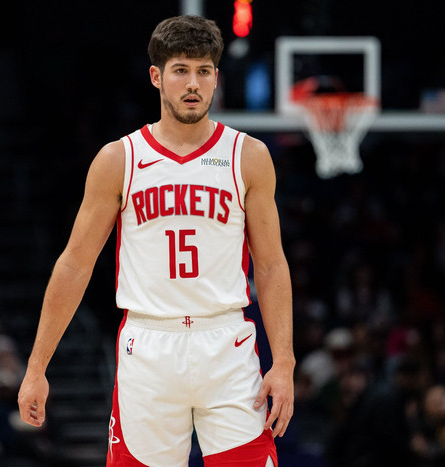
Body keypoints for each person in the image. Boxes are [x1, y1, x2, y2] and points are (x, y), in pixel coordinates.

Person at [17, 14, 295, 466]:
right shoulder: (119, 159)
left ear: (216, 77)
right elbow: (74, 264)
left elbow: (271, 264)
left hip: (227, 343)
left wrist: (283, 362)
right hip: (148, 345)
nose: (193, 83)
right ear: (156, 76)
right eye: (181, 70)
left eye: (204, 71)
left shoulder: (248, 156)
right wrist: (36, 367)